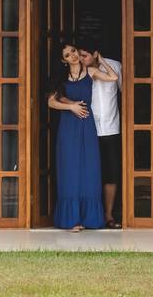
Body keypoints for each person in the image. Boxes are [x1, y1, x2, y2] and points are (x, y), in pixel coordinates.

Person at [47, 43, 118, 231]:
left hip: (87, 126)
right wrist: (71, 107)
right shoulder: (62, 78)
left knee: (89, 169)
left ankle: (90, 218)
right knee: (70, 170)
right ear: (63, 60)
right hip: (68, 127)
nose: (73, 55)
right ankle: (71, 220)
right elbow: (51, 102)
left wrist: (101, 60)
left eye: (73, 51)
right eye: (67, 54)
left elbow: (113, 77)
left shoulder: (91, 72)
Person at [78, 39, 123, 229]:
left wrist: (103, 63)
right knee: (91, 173)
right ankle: (89, 215)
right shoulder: (79, 72)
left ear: (95, 54)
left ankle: (108, 215)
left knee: (111, 173)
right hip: (90, 129)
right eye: (79, 55)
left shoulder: (115, 66)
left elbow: (124, 91)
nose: (81, 59)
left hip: (112, 128)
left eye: (84, 55)